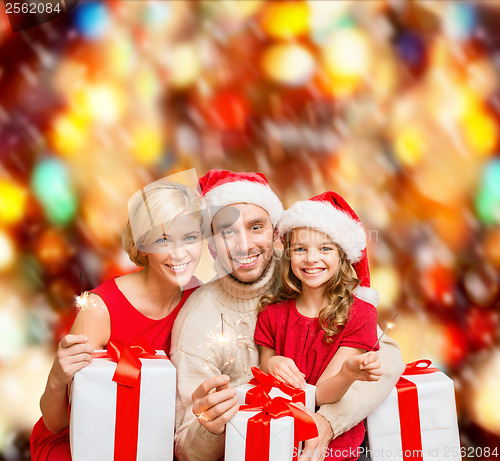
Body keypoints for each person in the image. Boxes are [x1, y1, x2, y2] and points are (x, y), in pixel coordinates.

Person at [170, 170, 405, 461]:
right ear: (212, 242)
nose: (244, 245)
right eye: (228, 231)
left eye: (256, 227)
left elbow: (387, 355)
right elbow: (186, 450)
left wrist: (328, 421)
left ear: (274, 231)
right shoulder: (199, 319)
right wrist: (211, 427)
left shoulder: (307, 271)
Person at [30, 179, 204, 461]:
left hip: (153, 438)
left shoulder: (200, 297)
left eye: (190, 237)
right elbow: (56, 423)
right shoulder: (100, 309)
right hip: (85, 438)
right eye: (163, 239)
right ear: (141, 244)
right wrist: (56, 378)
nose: (179, 253)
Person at [256, 191, 383, 461]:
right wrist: (273, 362)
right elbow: (263, 369)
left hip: (335, 449)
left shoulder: (360, 315)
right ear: (289, 256)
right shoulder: (272, 313)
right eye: (300, 249)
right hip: (278, 439)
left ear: (342, 256)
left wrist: (347, 374)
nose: (311, 259)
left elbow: (323, 395)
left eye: (325, 249)